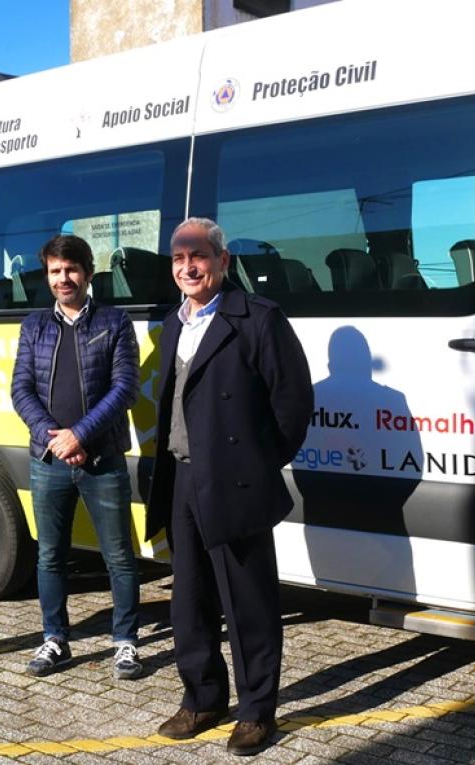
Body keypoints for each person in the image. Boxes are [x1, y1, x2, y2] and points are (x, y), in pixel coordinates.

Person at [146, 218, 313, 756]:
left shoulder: (257, 318)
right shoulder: (174, 322)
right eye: (178, 259)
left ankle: (257, 710)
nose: (187, 268)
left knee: (249, 603)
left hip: (234, 480)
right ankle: (201, 698)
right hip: (181, 474)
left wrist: (257, 465)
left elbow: (293, 404)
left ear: (222, 261)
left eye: (198, 257)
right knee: (189, 599)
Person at [11, 234, 142, 680]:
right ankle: (54, 638)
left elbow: (125, 387)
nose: (62, 278)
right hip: (47, 460)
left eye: (70, 269)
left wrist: (80, 436)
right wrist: (54, 438)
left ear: (87, 272)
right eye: (54, 271)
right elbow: (20, 389)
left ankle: (125, 642)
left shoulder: (115, 322)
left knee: (119, 556)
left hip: (101, 457)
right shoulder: (33, 327)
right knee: (48, 555)